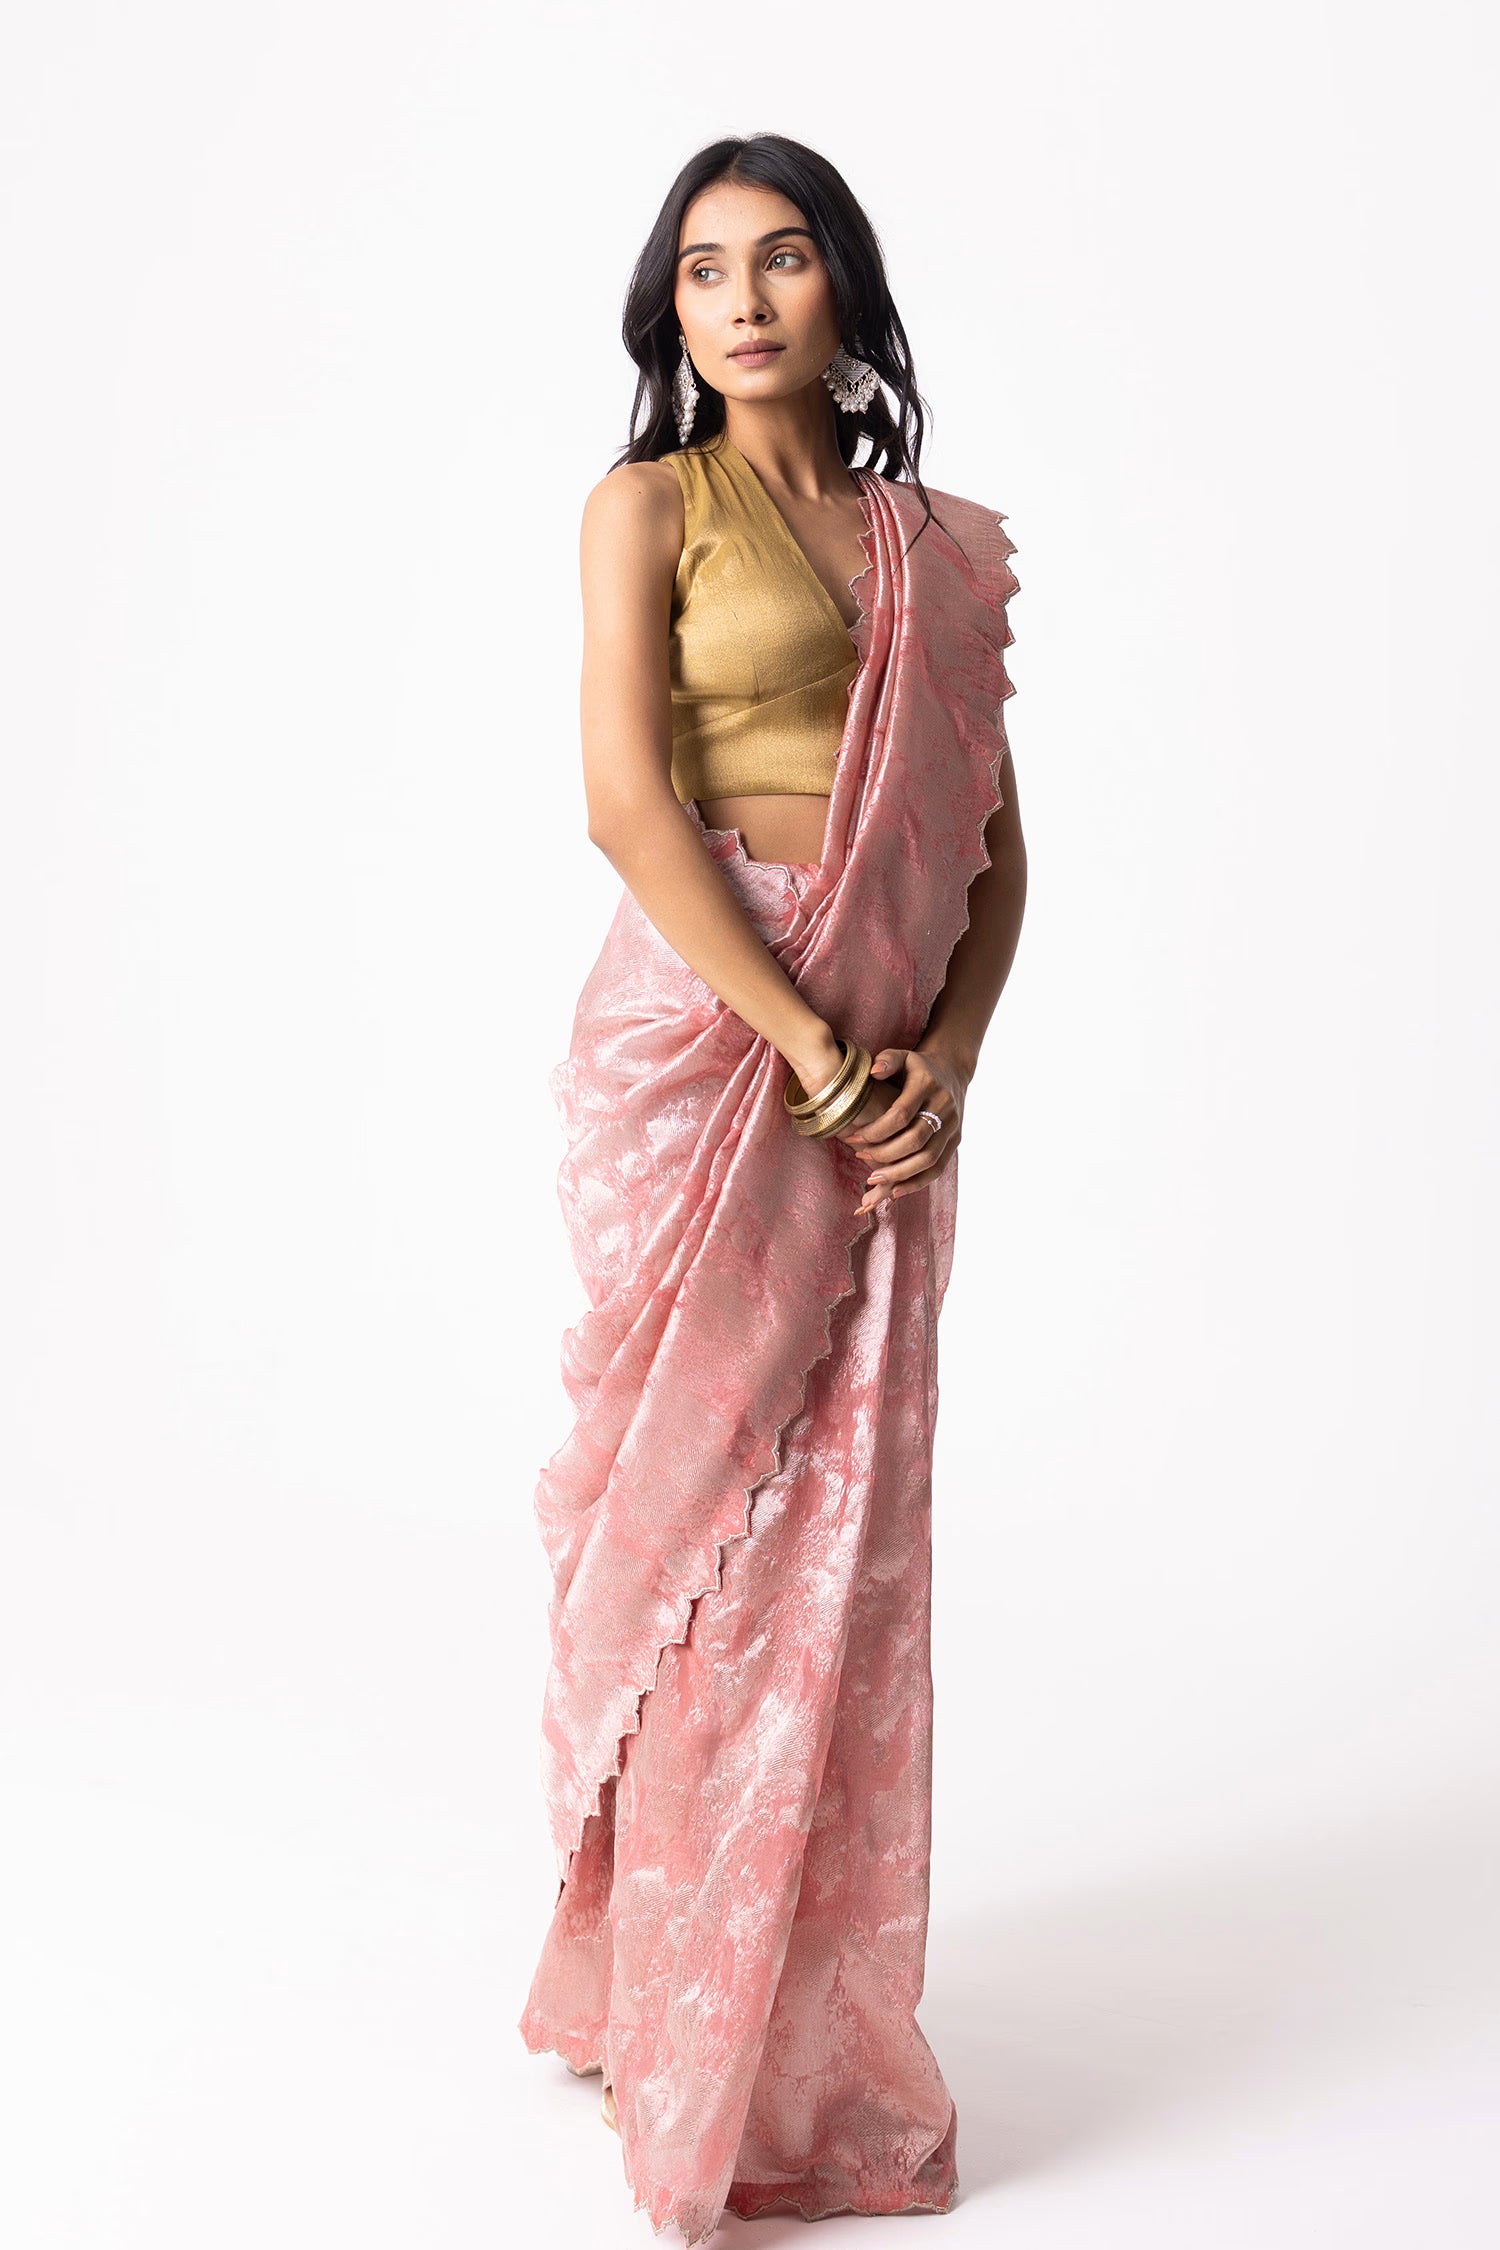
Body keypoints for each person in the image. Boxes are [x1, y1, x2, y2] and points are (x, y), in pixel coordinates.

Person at [518, 131, 1026, 2246]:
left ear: (846, 292)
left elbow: (992, 850)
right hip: (706, 1052)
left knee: (845, 1562)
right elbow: (627, 801)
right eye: (707, 268)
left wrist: (938, 1068)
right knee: (696, 1545)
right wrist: (811, 1048)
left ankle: (794, 2034)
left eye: (785, 257)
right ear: (673, 308)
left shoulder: (936, 551)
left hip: (883, 1080)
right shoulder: (644, 505)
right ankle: (663, 1999)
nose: (742, 299)